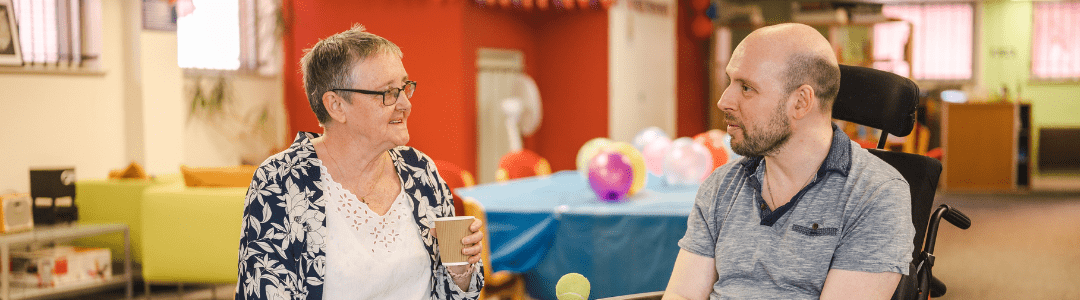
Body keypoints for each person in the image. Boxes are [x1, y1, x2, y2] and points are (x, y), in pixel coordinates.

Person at [663, 23, 914, 299]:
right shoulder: (721, 186)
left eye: (746, 88)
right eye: (730, 82)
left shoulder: (875, 194)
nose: (724, 101)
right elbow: (683, 295)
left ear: (800, 102)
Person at [235, 25, 484, 299]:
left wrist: (462, 271)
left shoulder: (420, 172)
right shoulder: (280, 182)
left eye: (404, 87)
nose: (405, 104)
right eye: (388, 92)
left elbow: (455, 292)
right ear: (337, 106)